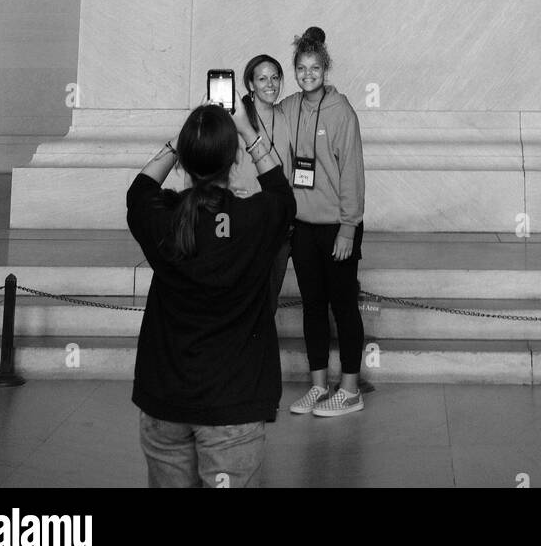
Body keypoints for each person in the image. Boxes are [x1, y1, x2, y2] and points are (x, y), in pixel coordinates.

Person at [126, 100, 294, 487]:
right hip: (233, 402)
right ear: (233, 159)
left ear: (184, 160)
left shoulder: (164, 217)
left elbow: (140, 189)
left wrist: (177, 144)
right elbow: (282, 195)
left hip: (166, 398)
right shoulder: (255, 218)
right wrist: (248, 134)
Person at [277, 26, 366, 417]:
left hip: (336, 227)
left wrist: (348, 227)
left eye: (314, 68)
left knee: (343, 306)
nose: (308, 74)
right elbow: (259, 122)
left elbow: (352, 173)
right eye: (301, 68)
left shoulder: (341, 111)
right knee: (312, 306)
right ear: (294, 71)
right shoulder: (291, 107)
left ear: (325, 69)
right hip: (303, 227)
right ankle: (318, 385)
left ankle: (350, 389)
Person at [240, 53, 293, 313]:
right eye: (262, 78)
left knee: (269, 301)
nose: (270, 84)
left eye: (274, 78)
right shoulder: (236, 119)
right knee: (246, 299)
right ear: (251, 84)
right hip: (247, 223)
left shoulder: (285, 116)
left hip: (279, 224)